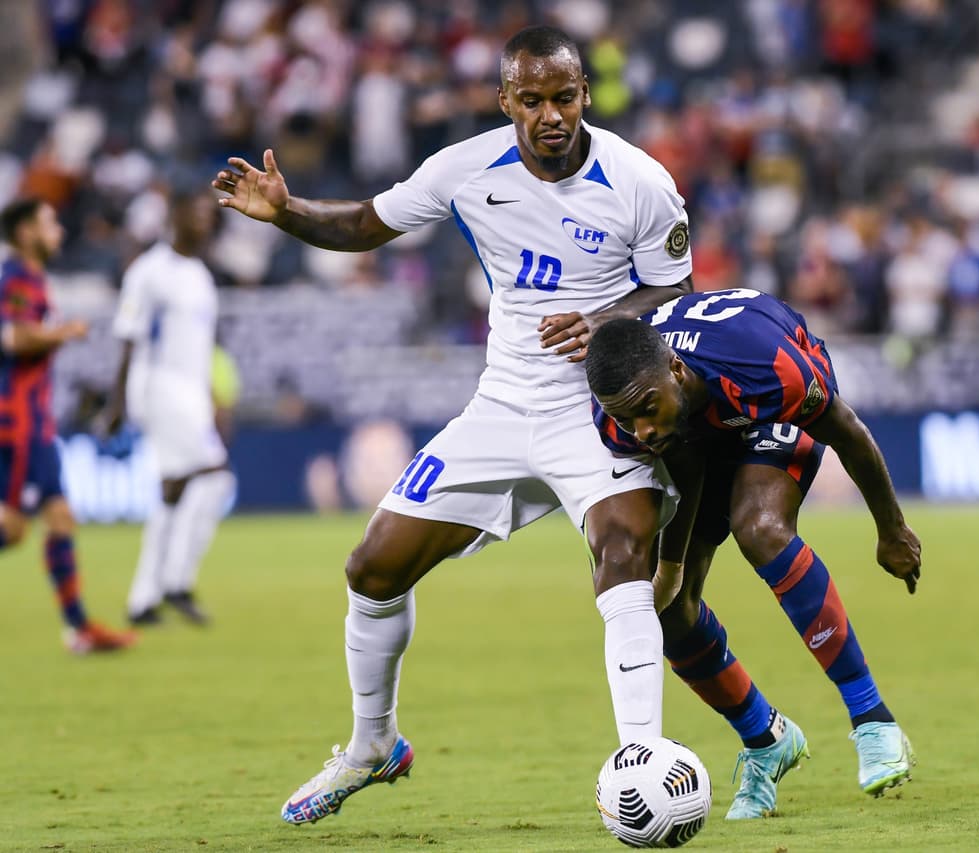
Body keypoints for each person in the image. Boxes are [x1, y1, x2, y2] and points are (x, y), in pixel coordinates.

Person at [211, 26, 694, 825]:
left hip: (595, 413)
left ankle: (640, 758)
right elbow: (368, 223)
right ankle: (373, 745)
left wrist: (606, 316)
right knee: (371, 568)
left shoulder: (640, 180)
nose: (550, 115)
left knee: (623, 554)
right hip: (502, 406)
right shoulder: (464, 169)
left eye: (564, 97)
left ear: (585, 94)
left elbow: (672, 290)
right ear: (504, 100)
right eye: (531, 100)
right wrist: (288, 212)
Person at [586, 287, 922, 817]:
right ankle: (766, 742)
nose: (641, 430)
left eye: (647, 410)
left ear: (675, 370)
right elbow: (681, 458)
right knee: (665, 608)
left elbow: (848, 432)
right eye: (631, 421)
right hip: (705, 430)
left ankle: (872, 720)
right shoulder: (622, 413)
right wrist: (671, 569)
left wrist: (891, 530)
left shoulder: (767, 368)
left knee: (759, 528)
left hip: (763, 410)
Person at [0, 198, 136, 654]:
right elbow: (15, 337)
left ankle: (79, 628)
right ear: (25, 232)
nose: (57, 229)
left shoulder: (34, 279)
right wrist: (63, 332)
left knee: (59, 516)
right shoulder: (15, 278)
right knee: (15, 529)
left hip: (36, 421)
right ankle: (79, 627)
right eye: (48, 221)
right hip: (16, 421)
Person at [104, 192, 235, 626]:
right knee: (215, 477)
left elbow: (202, 345)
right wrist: (117, 401)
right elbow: (129, 337)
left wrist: (213, 395)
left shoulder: (199, 274)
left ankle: (144, 599)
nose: (203, 222)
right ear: (174, 217)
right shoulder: (148, 272)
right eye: (195, 213)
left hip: (191, 392)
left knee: (172, 491)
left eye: (206, 215)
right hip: (158, 387)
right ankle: (177, 582)